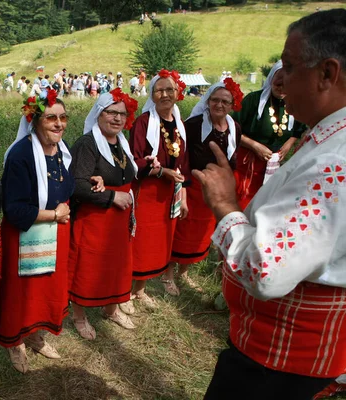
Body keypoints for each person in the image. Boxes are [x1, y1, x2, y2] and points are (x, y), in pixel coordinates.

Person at [196, 9, 346, 400]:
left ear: (327, 74)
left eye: (289, 65)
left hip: (278, 364)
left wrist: (226, 206)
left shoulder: (335, 162)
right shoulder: (328, 142)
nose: (279, 79)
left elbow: (267, 270)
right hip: (281, 354)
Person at [0, 89, 75, 373]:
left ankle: (35, 335)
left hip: (55, 231)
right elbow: (14, 210)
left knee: (44, 289)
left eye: (63, 117)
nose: (59, 124)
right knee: (22, 293)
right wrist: (54, 214)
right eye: (51, 118)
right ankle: (14, 342)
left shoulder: (60, 152)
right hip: (25, 234)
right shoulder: (20, 155)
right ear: (35, 121)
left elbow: (67, 187)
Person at [68, 88, 143, 339]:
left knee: (117, 264)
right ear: (99, 114)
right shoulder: (87, 144)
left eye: (122, 114)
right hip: (95, 217)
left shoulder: (122, 142)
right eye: (111, 113)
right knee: (87, 264)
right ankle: (78, 316)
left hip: (119, 219)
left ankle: (111, 309)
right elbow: (77, 184)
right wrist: (111, 196)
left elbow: (127, 175)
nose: (117, 118)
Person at [168, 78, 243, 293]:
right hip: (193, 188)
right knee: (183, 231)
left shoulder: (234, 128)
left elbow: (233, 159)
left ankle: (184, 273)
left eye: (225, 102)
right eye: (215, 100)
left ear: (232, 105)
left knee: (201, 235)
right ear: (208, 101)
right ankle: (168, 275)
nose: (219, 105)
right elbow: (181, 158)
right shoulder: (192, 126)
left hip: (214, 192)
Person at [129, 69, 188, 305]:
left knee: (159, 240)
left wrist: (183, 196)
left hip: (169, 193)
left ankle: (140, 289)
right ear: (152, 95)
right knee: (141, 240)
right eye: (159, 90)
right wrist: (162, 171)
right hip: (148, 191)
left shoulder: (179, 124)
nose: (165, 94)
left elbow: (184, 162)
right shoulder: (143, 123)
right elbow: (135, 160)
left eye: (170, 89)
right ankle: (128, 291)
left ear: (177, 93)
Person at [232, 60, 307, 209]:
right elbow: (233, 130)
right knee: (243, 203)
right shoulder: (254, 100)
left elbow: (299, 128)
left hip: (274, 164)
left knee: (266, 203)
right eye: (278, 85)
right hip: (248, 164)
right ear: (272, 79)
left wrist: (289, 143)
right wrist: (255, 145)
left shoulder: (293, 102)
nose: (281, 89)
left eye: (286, 86)